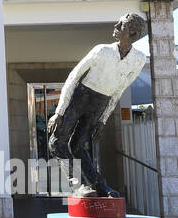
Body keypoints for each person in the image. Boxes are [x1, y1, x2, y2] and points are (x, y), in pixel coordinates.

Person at [47, 12, 149, 197]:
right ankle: (78, 185)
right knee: (57, 141)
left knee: (78, 146)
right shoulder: (101, 50)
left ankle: (101, 186)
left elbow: (119, 90)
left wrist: (102, 120)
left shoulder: (139, 59)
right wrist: (59, 112)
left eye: (122, 25)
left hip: (100, 103)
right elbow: (74, 76)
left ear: (133, 34)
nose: (116, 26)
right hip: (81, 96)